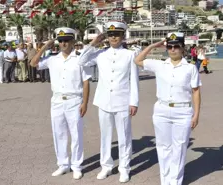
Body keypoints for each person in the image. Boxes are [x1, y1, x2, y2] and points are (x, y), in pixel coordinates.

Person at [134, 32, 202, 185]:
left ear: (182, 48)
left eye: (176, 46)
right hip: (162, 111)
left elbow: (196, 91)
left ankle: (175, 181)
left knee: (179, 148)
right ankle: (165, 181)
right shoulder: (160, 65)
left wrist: (196, 115)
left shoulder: (190, 68)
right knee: (163, 148)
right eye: (169, 46)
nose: (172, 49)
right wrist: (154, 45)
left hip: (183, 111)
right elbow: (137, 60)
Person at [78, 21, 139, 183]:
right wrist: (93, 43)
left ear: (122, 36)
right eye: (111, 34)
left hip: (123, 101)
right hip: (104, 101)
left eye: (117, 34)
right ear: (107, 36)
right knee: (105, 136)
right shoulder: (100, 54)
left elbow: (134, 80)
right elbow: (81, 61)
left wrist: (134, 102)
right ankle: (106, 166)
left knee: (124, 136)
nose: (114, 37)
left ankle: (124, 168)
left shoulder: (130, 55)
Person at [30, 27, 91, 180]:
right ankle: (63, 164)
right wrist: (44, 47)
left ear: (72, 42)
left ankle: (77, 165)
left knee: (76, 135)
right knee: (59, 134)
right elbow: (32, 63)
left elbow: (86, 83)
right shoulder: (52, 59)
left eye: (66, 41)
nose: (63, 44)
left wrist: (85, 103)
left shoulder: (80, 59)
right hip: (57, 101)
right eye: (60, 41)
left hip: (74, 101)